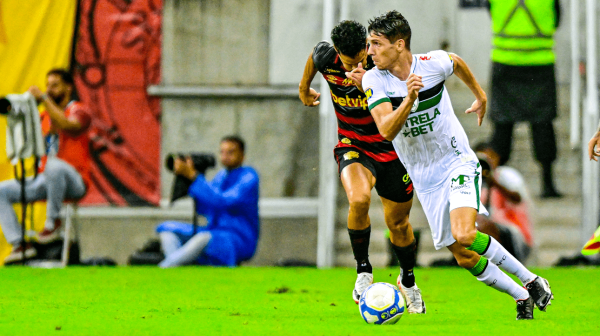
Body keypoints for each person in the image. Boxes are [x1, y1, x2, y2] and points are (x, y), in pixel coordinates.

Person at [354, 10, 553, 320]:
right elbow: (386, 130)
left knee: (464, 234)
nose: (370, 52)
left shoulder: (431, 64)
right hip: (423, 175)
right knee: (463, 256)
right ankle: (522, 296)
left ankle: (532, 279)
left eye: (376, 44)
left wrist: (480, 94)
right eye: (369, 44)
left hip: (456, 161)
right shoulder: (373, 79)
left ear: (399, 44)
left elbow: (456, 61)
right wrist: (408, 100)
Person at [298, 20, 425, 313]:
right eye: (348, 62)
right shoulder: (327, 58)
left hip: (391, 149)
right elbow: (314, 58)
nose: (354, 66)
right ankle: (363, 271)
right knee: (358, 199)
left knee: (399, 224)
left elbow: (404, 97)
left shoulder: (382, 63)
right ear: (338, 53)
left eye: (359, 61)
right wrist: (304, 88)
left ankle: (408, 280)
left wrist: (368, 82)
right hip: (353, 144)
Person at [0, 69, 91, 264]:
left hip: (75, 181)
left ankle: (52, 222)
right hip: (45, 180)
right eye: (47, 85)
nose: (49, 89)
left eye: (55, 85)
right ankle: (20, 243)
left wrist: (42, 98)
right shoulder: (43, 117)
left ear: (68, 87)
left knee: (54, 166)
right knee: (1, 191)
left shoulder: (79, 109)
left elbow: (68, 126)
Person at [487, 0, 562, 198]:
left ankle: (493, 184)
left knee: (502, 125)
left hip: (505, 61)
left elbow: (491, 12)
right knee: (543, 124)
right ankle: (548, 184)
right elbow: (557, 20)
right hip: (540, 63)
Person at [156, 136, 260, 267]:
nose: (225, 156)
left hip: (237, 237)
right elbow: (205, 209)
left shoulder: (249, 177)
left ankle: (165, 267)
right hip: (213, 231)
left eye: (231, 152)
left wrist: (194, 177)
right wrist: (188, 181)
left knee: (203, 238)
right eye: (222, 152)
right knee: (167, 230)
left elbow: (223, 201)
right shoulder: (221, 176)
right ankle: (178, 271)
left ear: (242, 155)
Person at [475, 143, 534, 263]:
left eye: (489, 158)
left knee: (486, 228)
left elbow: (517, 198)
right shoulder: (470, 180)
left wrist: (495, 183)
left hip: (514, 231)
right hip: (482, 229)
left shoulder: (507, 175)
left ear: (497, 157)